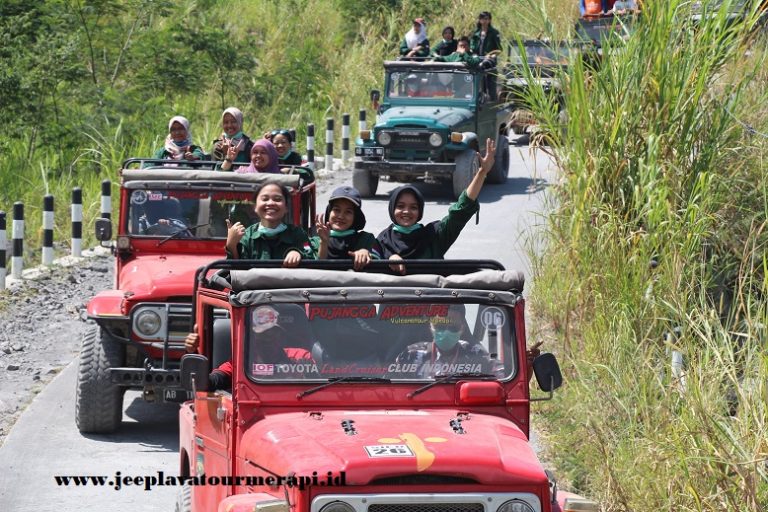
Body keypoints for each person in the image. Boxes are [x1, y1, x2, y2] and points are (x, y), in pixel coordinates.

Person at [376, 138, 496, 270]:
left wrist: (482, 172)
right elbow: (369, 260)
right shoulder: (382, 240)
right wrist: (390, 258)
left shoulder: (434, 236)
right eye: (400, 206)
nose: (406, 211)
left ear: (420, 211)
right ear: (392, 209)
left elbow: (460, 211)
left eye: (413, 207)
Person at [184, 305, 315, 391]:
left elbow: (319, 384)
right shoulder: (240, 363)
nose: (269, 339)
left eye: (273, 333)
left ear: (281, 335)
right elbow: (212, 381)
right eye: (263, 334)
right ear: (253, 337)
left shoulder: (300, 356)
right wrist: (193, 351)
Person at [394, 305, 503, 378]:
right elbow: (393, 388)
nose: (446, 332)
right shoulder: (411, 354)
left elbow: (504, 375)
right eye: (440, 326)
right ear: (431, 326)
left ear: (462, 328)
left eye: (453, 327)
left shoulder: (476, 354)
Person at [225, 181, 313, 266]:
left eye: (277, 199)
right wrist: (231, 245)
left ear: (286, 207)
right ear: (255, 207)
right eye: (265, 199)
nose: (270, 203)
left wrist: (298, 253)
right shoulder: (246, 237)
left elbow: (311, 259)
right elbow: (237, 271)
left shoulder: (298, 234)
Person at [312, 186, 382, 270]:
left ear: (356, 216)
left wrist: (366, 253)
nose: (341, 216)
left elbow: (378, 258)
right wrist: (324, 242)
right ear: (329, 212)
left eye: (348, 212)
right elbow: (315, 269)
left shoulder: (366, 239)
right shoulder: (316, 241)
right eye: (336, 210)